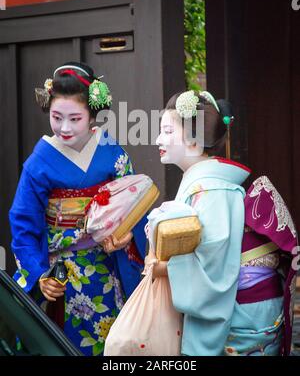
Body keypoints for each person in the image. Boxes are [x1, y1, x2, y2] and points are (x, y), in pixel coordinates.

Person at [145, 89, 297, 356]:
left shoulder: (212, 190)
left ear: (193, 142)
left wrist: (163, 269)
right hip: (246, 307)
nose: (159, 139)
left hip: (244, 314)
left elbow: (214, 267)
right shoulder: (207, 183)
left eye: (168, 131)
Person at [9, 62, 147, 356]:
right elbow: (23, 225)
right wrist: (40, 276)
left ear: (92, 116)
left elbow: (134, 205)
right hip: (59, 274)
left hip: (107, 269)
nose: (65, 127)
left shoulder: (112, 153)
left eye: (75, 118)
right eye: (57, 117)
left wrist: (126, 235)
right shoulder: (39, 162)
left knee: (113, 345)